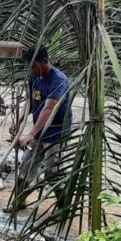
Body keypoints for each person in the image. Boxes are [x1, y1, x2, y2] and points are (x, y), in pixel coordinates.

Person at [8, 45, 72, 210]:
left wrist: (31, 133)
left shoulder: (59, 80)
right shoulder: (34, 77)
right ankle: (19, 202)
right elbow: (29, 102)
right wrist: (19, 121)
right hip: (39, 132)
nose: (31, 70)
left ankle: (64, 207)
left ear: (44, 61)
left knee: (53, 170)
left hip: (57, 133)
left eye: (33, 66)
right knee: (26, 164)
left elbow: (49, 108)